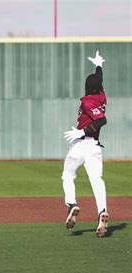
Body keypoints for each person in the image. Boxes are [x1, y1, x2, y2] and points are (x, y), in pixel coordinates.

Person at [62, 50, 109, 238]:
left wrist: (81, 131)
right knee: (97, 180)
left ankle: (72, 204)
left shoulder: (88, 101)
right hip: (95, 147)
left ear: (86, 87)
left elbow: (102, 120)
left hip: (80, 144)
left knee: (67, 175)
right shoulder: (101, 97)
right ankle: (102, 212)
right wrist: (99, 66)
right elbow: (98, 81)